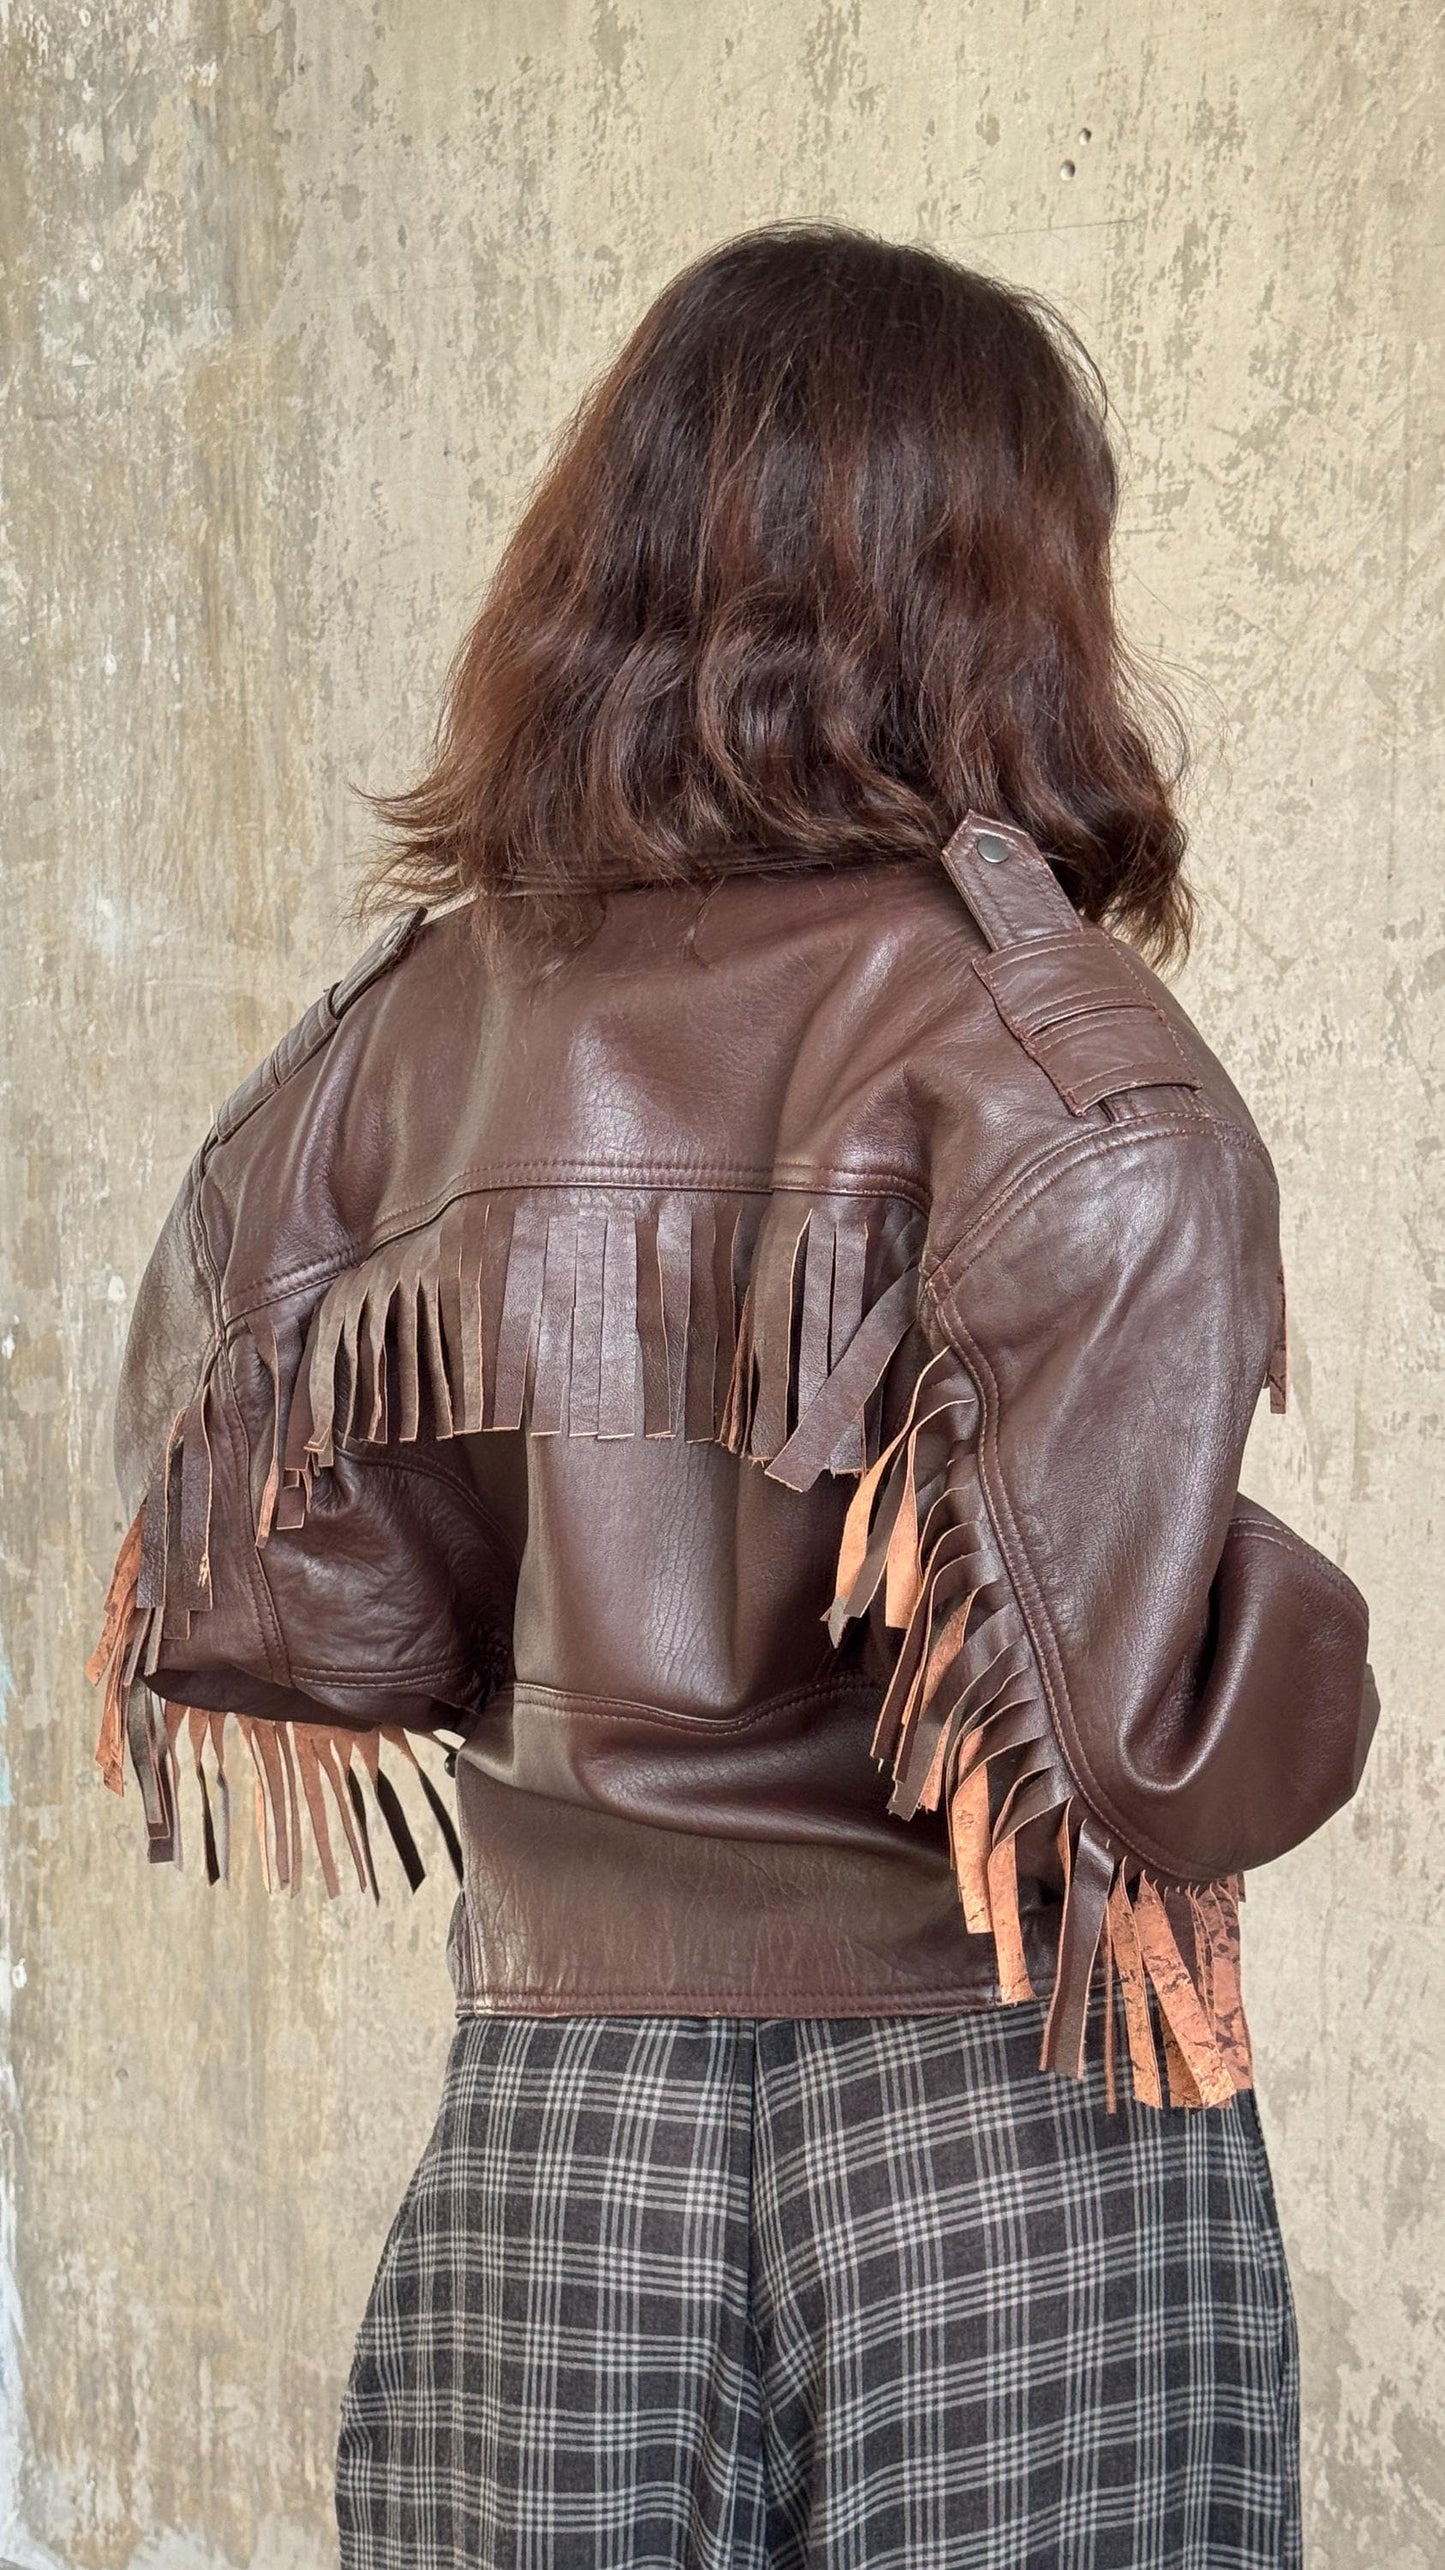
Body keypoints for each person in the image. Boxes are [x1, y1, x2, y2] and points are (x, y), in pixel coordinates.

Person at [90, 224, 1378, 2569]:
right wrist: (1315, 1645)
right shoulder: (1056, 1051)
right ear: (1008, 593)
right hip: (1004, 2142)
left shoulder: (406, 1034)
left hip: (554, 2138)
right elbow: (1143, 1750)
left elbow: (290, 1598)